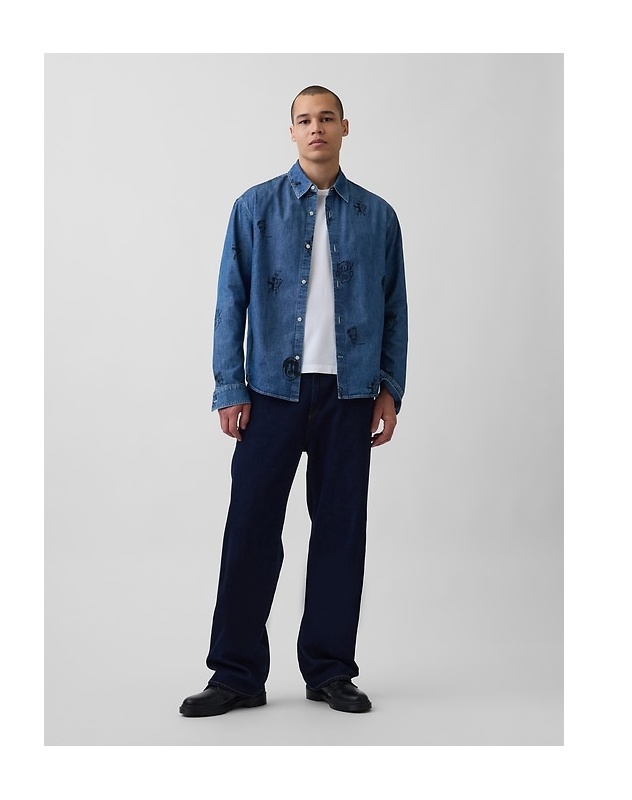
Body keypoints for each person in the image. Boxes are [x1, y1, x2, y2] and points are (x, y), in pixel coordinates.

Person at [180, 85, 408, 717]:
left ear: (344, 128)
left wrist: (390, 388)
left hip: (350, 392)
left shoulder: (378, 217)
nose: (316, 129)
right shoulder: (255, 207)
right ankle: (236, 674)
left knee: (340, 533)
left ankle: (330, 670)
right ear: (291, 132)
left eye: (326, 118)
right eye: (304, 120)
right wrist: (230, 386)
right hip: (270, 393)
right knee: (251, 529)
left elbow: (395, 307)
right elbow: (230, 302)